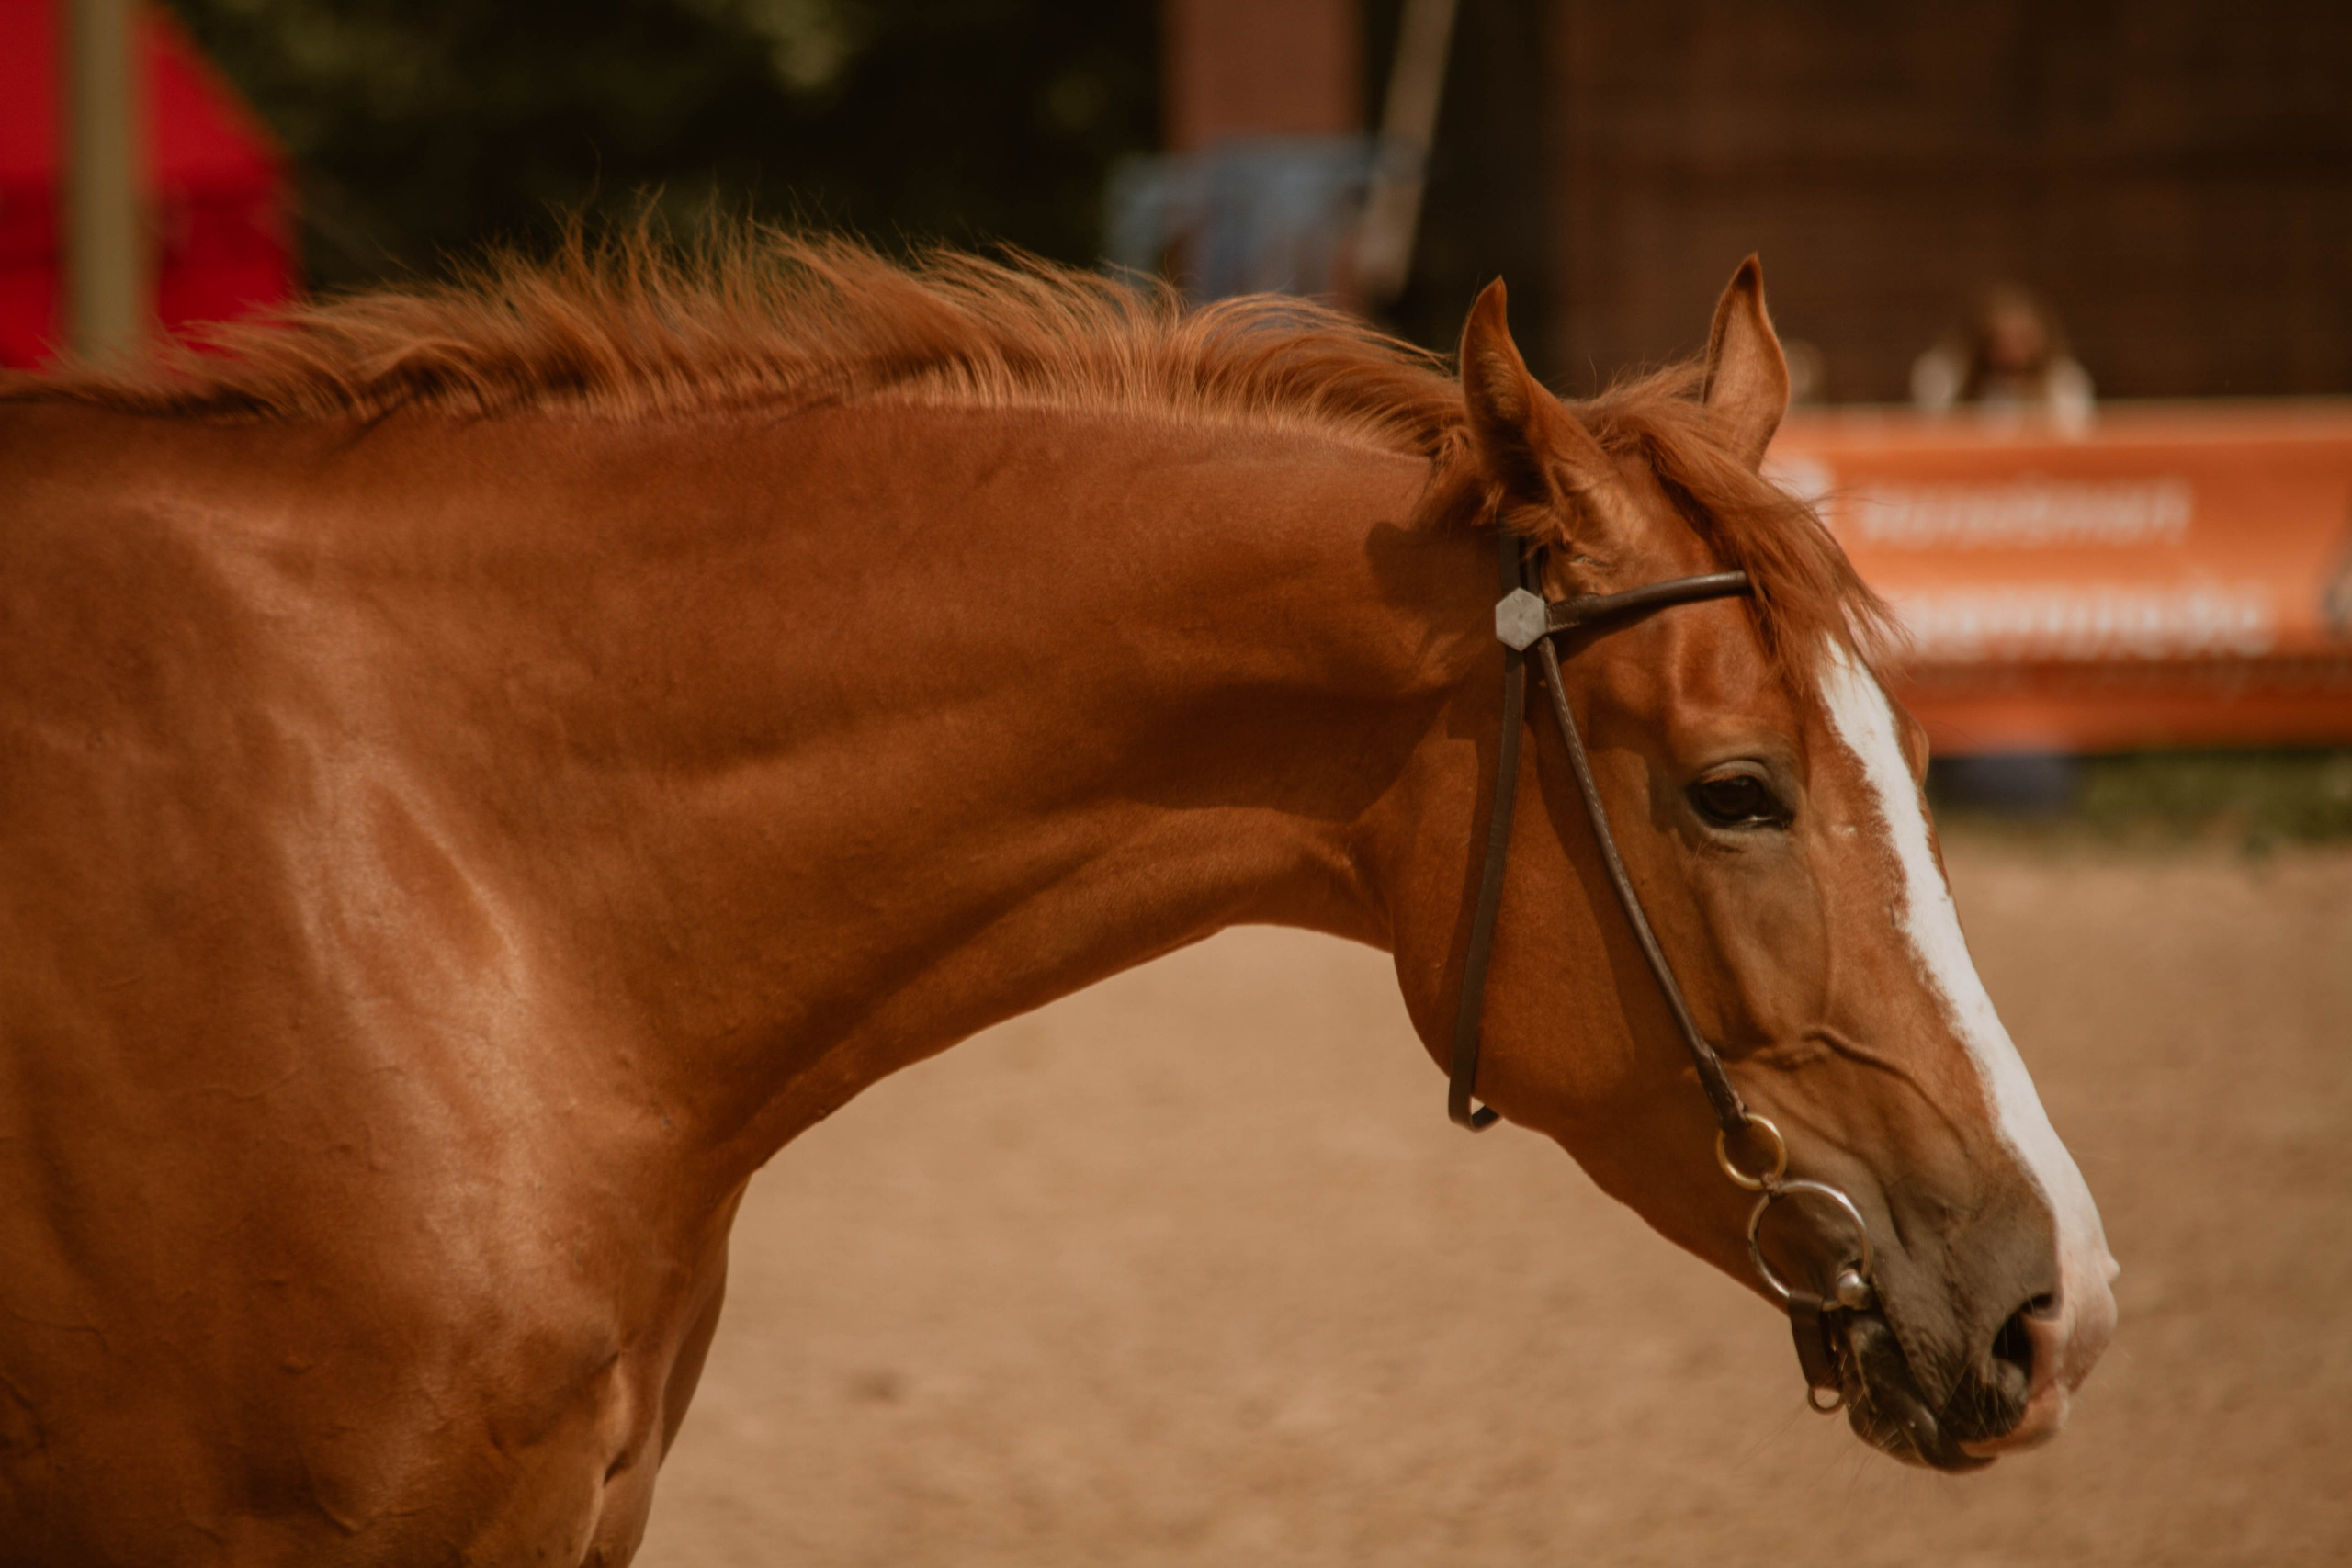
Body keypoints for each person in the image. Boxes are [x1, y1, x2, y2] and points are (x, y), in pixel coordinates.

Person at [1911, 283, 2094, 433]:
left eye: (2023, 340)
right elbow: (1933, 433)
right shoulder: (1946, 378)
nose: (2012, 353)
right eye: (2000, 341)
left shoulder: (2064, 382)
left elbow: (2075, 436)